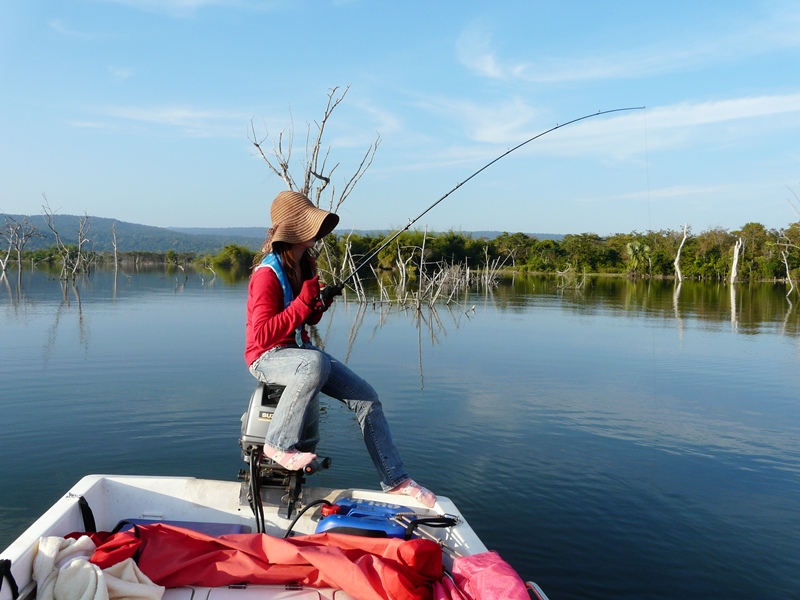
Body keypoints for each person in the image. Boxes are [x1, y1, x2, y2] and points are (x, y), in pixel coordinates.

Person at [245, 190, 436, 508]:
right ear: (294, 231)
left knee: (367, 398)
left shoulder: (304, 264)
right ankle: (278, 444)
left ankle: (395, 480)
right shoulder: (266, 276)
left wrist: (319, 303)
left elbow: (307, 317)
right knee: (315, 363)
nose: (316, 232)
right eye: (309, 226)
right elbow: (263, 335)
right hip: (267, 357)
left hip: (300, 353)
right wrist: (306, 302)